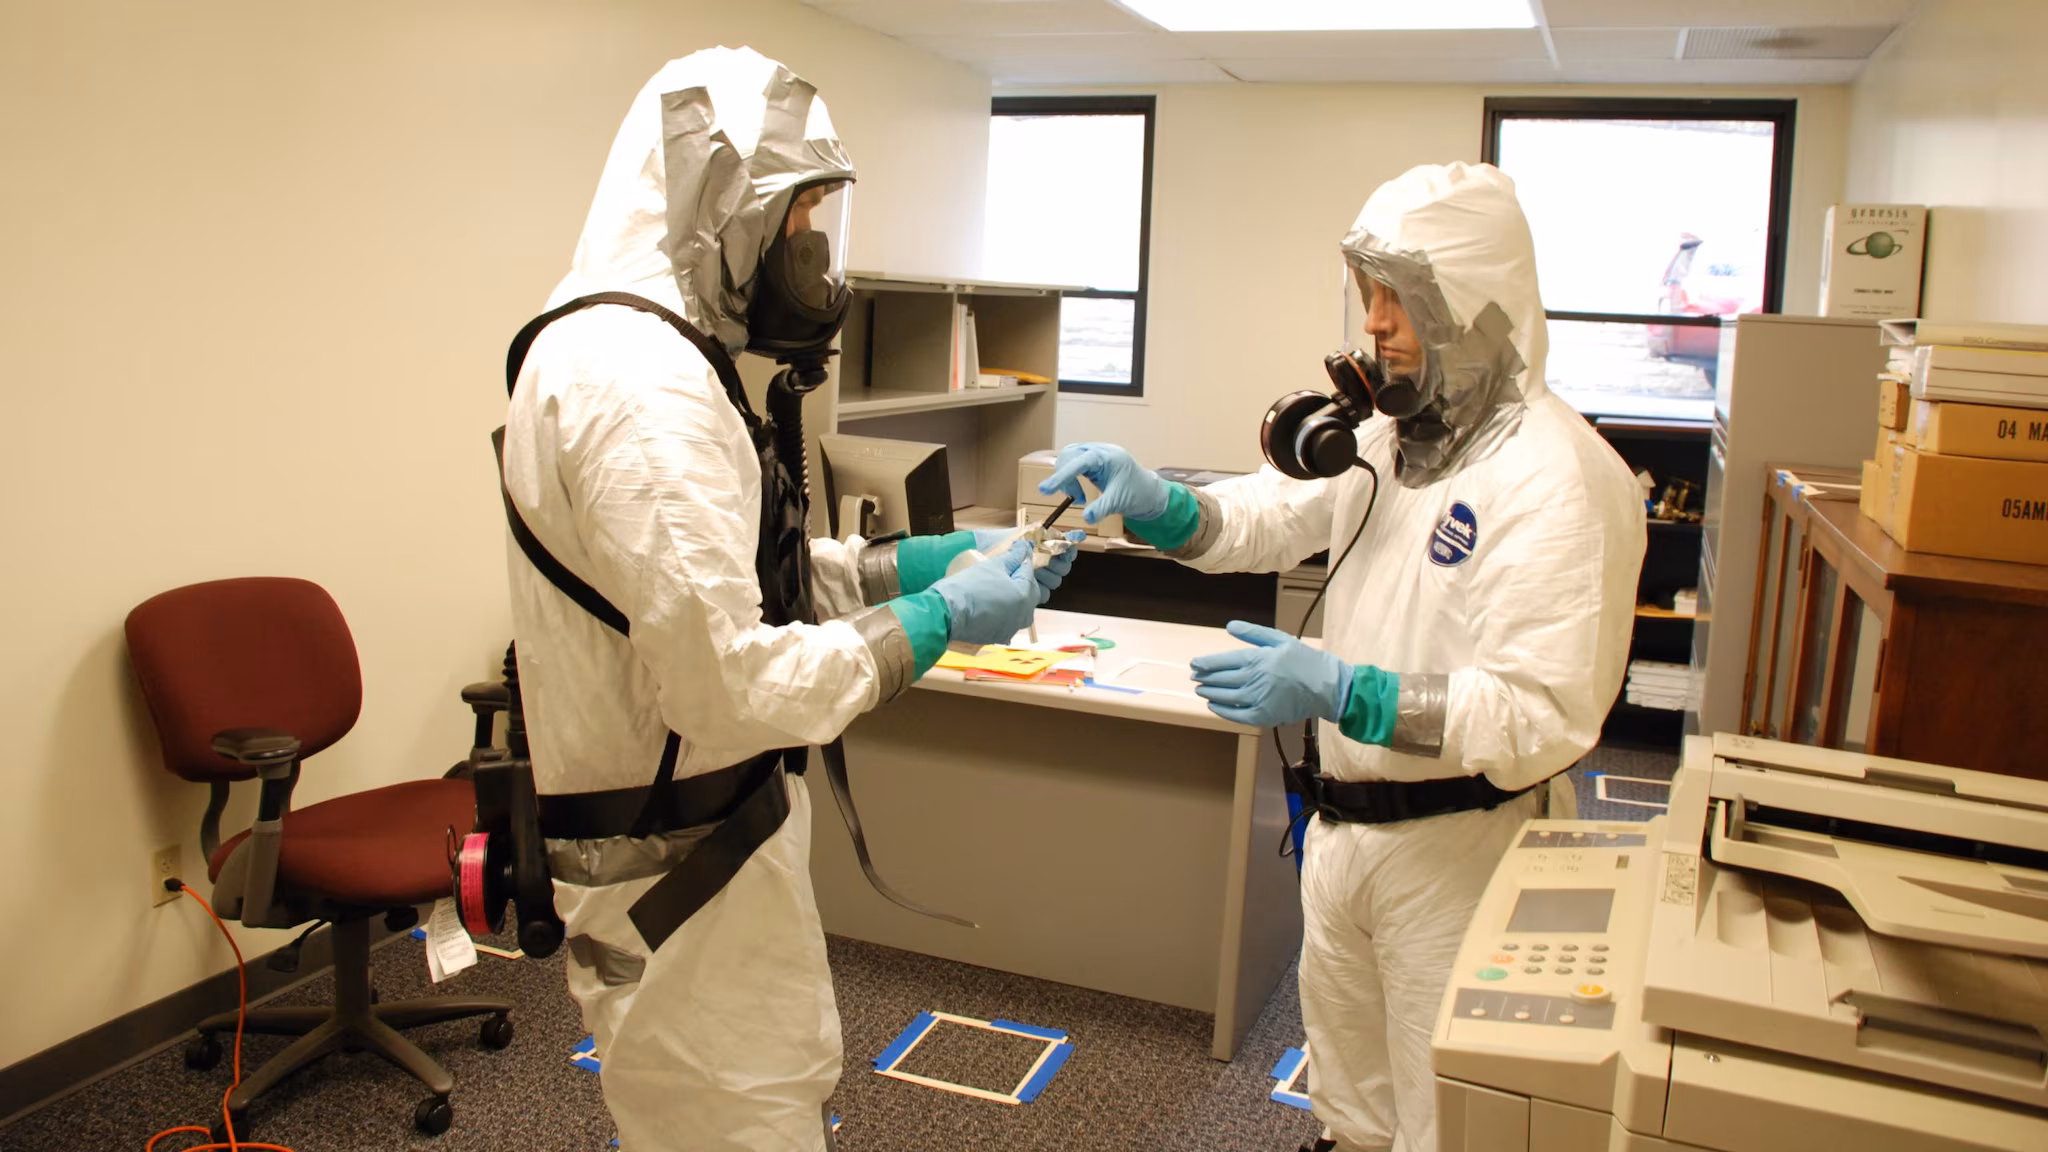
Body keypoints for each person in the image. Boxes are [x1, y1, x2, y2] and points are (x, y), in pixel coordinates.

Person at [498, 47, 1075, 1151]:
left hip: (706, 847)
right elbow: (725, 686)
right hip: (676, 870)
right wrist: (934, 626)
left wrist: (913, 566)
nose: (814, 251)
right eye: (803, 213)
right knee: (736, 1117)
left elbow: (724, 587)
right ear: (727, 206)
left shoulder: (651, 351)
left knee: (765, 1094)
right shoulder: (639, 388)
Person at [1040, 162, 1644, 1152]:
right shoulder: (1384, 438)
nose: (1373, 323)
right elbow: (1260, 522)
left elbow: (1538, 717)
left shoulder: (1559, 481)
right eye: (1365, 293)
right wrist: (1154, 500)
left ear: (1471, 304)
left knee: (1444, 1117)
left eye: (1398, 297)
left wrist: (1337, 688)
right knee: (1349, 1103)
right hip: (1341, 832)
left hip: (1460, 850)